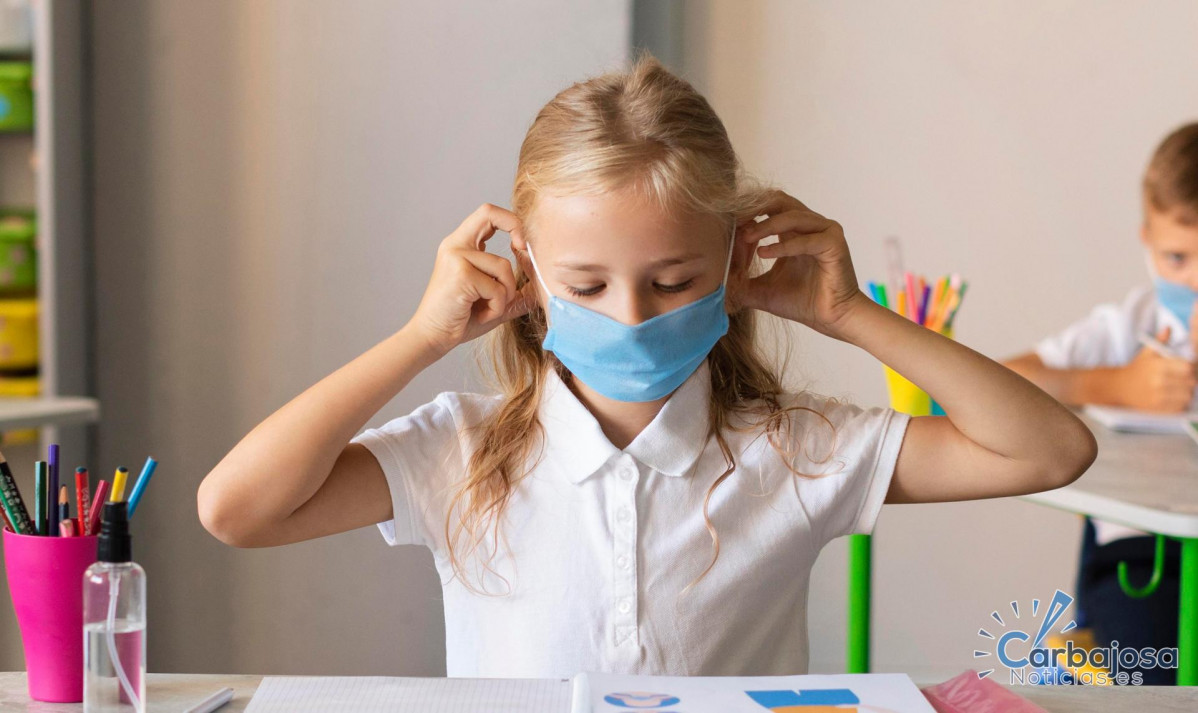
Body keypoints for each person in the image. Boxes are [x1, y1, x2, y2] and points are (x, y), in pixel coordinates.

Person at [199, 53, 1096, 678]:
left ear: (737, 261)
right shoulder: (463, 453)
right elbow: (235, 509)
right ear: (529, 271)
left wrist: (847, 315)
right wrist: (422, 338)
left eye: (674, 280)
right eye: (585, 283)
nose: (630, 316)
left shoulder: (790, 449)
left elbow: (1050, 451)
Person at [1004, 122, 1198, 685]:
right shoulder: (1128, 327)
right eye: (1177, 258)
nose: (1194, 279)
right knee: (1151, 678)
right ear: (1147, 243)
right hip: (1135, 556)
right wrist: (1113, 386)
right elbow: (1008, 380)